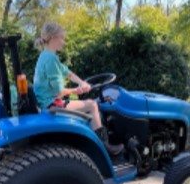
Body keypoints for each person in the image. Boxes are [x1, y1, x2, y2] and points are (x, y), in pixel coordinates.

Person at [32, 22, 123, 156]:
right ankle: (105, 148)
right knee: (92, 104)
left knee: (88, 103)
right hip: (51, 105)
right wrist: (76, 90)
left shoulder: (46, 56)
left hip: (48, 102)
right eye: (61, 38)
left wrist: (82, 83)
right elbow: (59, 92)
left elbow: (67, 72)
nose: (64, 42)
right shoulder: (51, 59)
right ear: (52, 38)